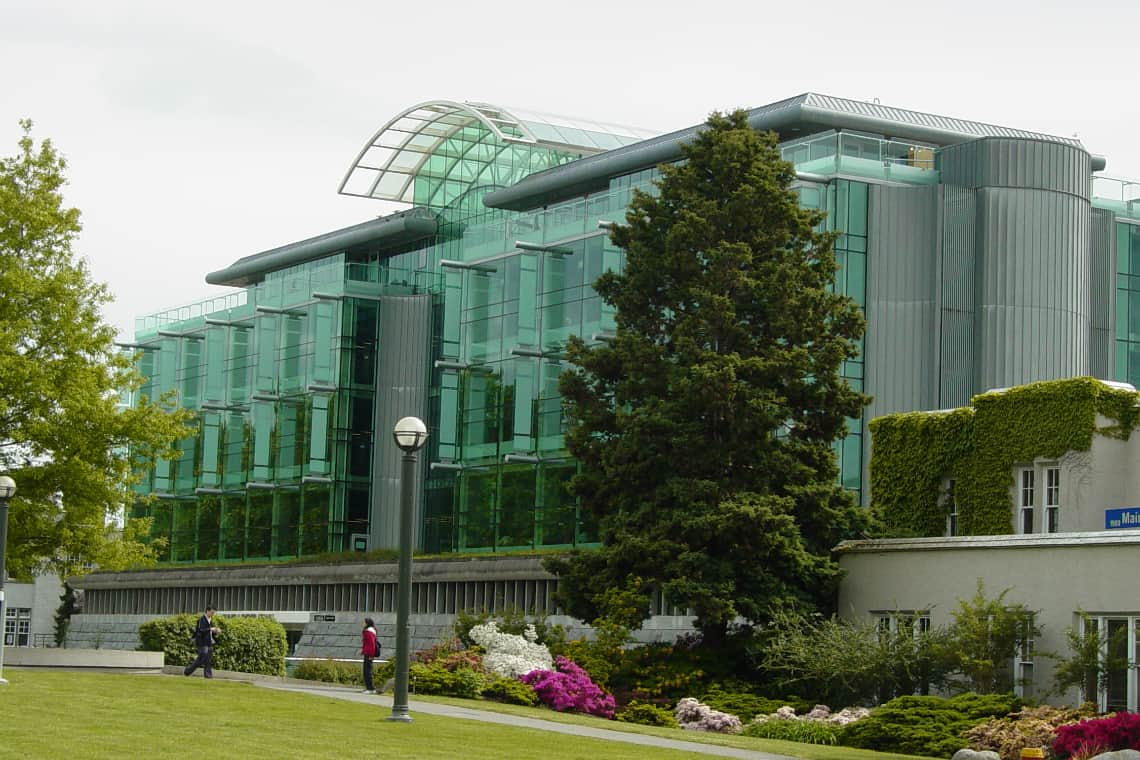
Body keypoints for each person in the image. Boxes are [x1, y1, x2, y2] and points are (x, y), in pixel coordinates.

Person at [184, 605, 221, 678]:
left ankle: (207, 675)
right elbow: (200, 630)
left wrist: (216, 632)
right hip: (202, 642)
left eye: (214, 613)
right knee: (202, 657)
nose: (213, 614)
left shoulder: (211, 620)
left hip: (209, 642)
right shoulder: (201, 619)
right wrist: (211, 629)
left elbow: (210, 632)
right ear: (207, 611)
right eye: (212, 612)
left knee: (207, 659)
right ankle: (188, 671)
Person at [360, 617, 379, 693]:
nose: (362, 623)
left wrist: (371, 655)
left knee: (367, 671)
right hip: (367, 653)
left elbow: (372, 644)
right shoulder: (369, 631)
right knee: (366, 671)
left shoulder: (369, 632)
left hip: (369, 654)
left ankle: (370, 688)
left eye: (363, 622)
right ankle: (369, 687)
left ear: (367, 623)